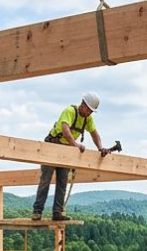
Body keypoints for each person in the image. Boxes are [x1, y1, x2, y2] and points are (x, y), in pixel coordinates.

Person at [32, 92, 114, 221]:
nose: (90, 113)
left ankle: (57, 212)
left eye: (92, 112)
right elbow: (65, 131)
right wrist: (76, 145)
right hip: (53, 145)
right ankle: (37, 212)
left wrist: (100, 148)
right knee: (45, 179)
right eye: (89, 110)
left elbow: (94, 134)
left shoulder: (88, 119)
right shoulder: (70, 111)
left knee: (62, 181)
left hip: (67, 150)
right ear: (83, 104)